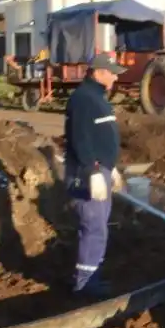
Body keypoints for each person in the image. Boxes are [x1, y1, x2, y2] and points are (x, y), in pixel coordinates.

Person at [64, 52, 126, 298]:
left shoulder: (97, 98)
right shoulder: (83, 99)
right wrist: (93, 171)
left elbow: (101, 138)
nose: (115, 77)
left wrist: (113, 168)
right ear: (98, 72)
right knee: (93, 227)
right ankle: (84, 284)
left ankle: (91, 277)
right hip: (88, 174)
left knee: (98, 227)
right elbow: (80, 139)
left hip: (101, 170)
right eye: (111, 72)